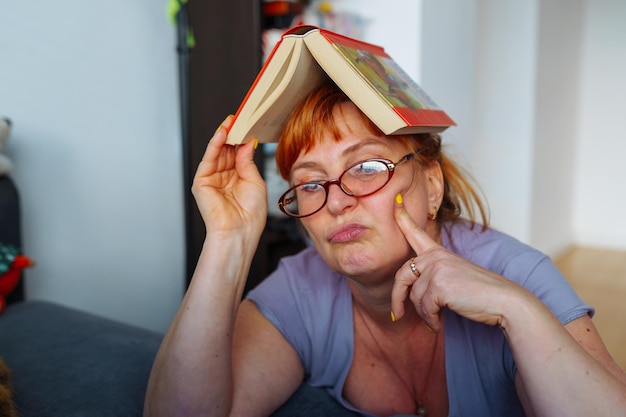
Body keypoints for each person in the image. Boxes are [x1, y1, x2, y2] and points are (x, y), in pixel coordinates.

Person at [144, 80, 626, 417]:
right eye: (310, 184)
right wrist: (229, 239)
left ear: (431, 185)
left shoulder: (520, 274)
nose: (336, 201)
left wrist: (515, 311)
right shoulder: (301, 286)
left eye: (367, 167)